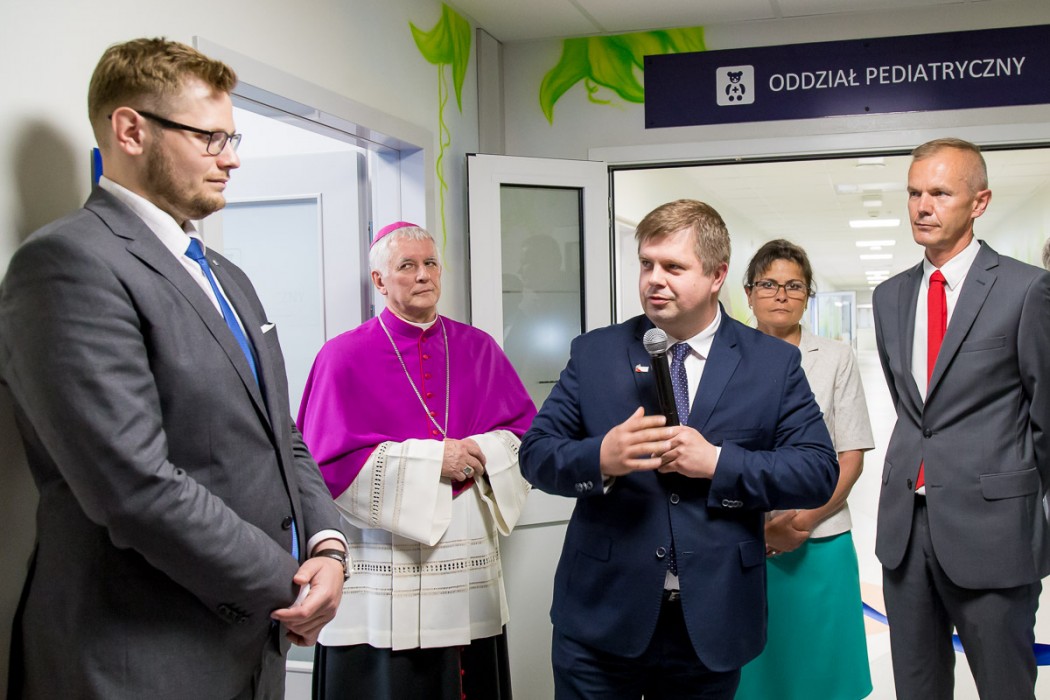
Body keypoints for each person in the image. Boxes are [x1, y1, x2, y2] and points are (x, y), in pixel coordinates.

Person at [0, 38, 348, 699]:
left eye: (232, 138)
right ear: (131, 130)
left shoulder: (226, 276)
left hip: (249, 650)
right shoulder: (66, 265)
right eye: (210, 138)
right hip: (140, 656)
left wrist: (328, 547)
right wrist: (288, 583)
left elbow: (282, 435)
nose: (231, 158)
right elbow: (135, 487)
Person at [519, 199, 839, 699]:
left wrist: (717, 463)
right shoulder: (595, 352)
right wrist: (601, 458)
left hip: (712, 622)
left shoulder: (772, 364)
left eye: (673, 267)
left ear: (717, 275)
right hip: (602, 619)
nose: (654, 280)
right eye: (646, 264)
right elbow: (535, 455)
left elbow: (817, 472)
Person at [297, 221, 537, 699]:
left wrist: (479, 452)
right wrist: (432, 461)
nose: (423, 275)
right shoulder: (341, 356)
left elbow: (524, 437)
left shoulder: (479, 348)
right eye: (407, 266)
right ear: (380, 281)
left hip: (463, 558)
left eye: (430, 263)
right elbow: (323, 466)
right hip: (379, 561)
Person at [873, 138, 1050, 700]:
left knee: (1005, 688)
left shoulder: (1026, 289)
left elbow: (1046, 418)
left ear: (979, 202)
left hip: (994, 532)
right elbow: (914, 410)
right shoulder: (889, 296)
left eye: (940, 193)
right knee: (917, 689)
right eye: (914, 193)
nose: (922, 207)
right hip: (906, 534)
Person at [734, 239, 874, 700]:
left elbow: (850, 455)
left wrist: (803, 521)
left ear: (808, 295)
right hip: (743, 540)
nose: (781, 295)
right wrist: (763, 527)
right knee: (753, 675)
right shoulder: (723, 356)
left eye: (794, 286)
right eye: (768, 284)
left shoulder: (835, 358)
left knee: (823, 673)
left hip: (821, 539)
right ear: (748, 292)